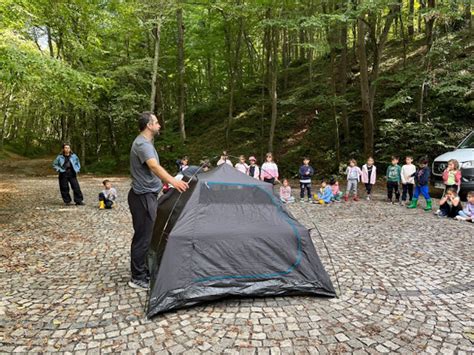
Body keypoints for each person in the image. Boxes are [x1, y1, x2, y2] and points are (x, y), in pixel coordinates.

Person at [128, 112, 188, 290]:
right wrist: (173, 181)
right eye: (156, 122)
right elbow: (153, 166)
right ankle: (137, 277)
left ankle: (145, 269)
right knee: (143, 237)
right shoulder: (141, 144)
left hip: (147, 195)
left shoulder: (146, 143)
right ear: (149, 125)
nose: (159, 125)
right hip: (142, 197)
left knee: (149, 234)